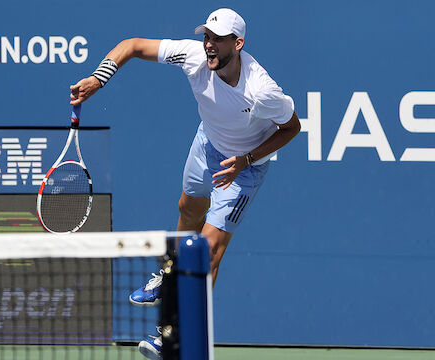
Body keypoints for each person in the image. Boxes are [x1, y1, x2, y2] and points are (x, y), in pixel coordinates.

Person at [70, 8, 300, 359]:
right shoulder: (192, 56)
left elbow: (292, 128)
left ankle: (174, 333)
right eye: (207, 36)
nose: (209, 45)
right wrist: (98, 79)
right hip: (207, 143)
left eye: (218, 40)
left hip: (244, 167)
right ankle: (168, 271)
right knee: (187, 210)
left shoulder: (262, 91)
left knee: (208, 251)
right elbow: (131, 46)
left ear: (237, 44)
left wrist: (246, 161)